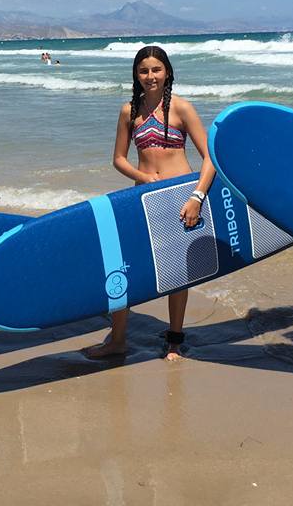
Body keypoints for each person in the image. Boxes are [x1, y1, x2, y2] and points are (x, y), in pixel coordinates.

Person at [85, 45, 216, 361]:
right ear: (136, 75)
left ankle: (174, 340)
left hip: (180, 197)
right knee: (123, 265)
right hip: (142, 199)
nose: (150, 76)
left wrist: (197, 197)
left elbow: (211, 158)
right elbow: (118, 158)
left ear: (167, 72)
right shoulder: (129, 111)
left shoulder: (182, 109)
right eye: (143, 71)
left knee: (177, 270)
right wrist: (140, 176)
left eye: (156, 69)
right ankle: (117, 340)